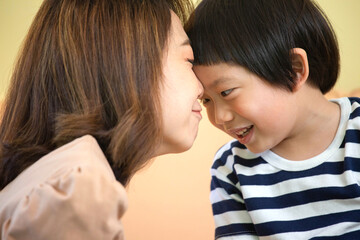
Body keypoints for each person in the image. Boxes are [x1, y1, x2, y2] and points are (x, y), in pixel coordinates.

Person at [0, 0, 203, 239]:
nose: (201, 88)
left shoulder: (55, 182)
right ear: (128, 64)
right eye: (189, 61)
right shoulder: (76, 191)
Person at [186, 0, 360, 239]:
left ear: (294, 69)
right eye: (206, 100)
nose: (219, 117)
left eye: (226, 92)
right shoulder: (230, 169)